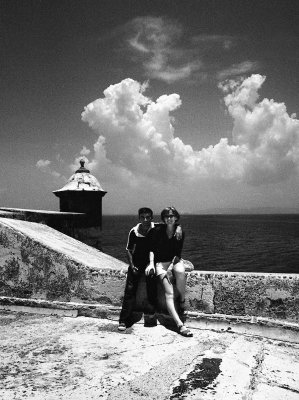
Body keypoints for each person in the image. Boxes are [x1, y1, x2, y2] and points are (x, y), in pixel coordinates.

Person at [118, 207, 182, 332]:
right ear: (139, 218)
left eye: (148, 217)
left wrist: (179, 227)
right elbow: (129, 250)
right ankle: (124, 319)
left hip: (152, 263)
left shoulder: (157, 227)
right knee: (130, 291)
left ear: (152, 218)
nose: (145, 220)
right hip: (137, 263)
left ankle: (151, 315)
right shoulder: (134, 231)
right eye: (143, 217)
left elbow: (172, 223)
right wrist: (132, 265)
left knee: (151, 288)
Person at [146, 206, 193, 337]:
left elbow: (178, 253)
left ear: (176, 218)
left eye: (172, 216)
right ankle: (180, 325)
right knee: (169, 292)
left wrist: (171, 267)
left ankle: (182, 300)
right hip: (160, 264)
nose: (169, 218)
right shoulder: (157, 231)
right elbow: (151, 249)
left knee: (181, 273)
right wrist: (151, 264)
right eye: (167, 216)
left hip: (175, 261)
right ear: (163, 219)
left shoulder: (180, 232)